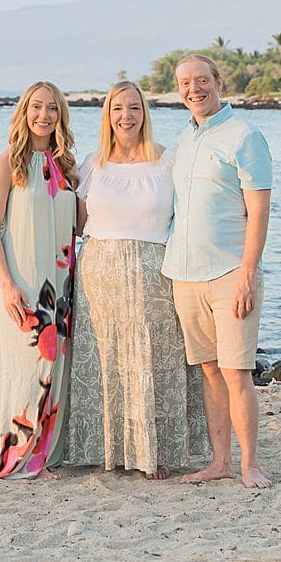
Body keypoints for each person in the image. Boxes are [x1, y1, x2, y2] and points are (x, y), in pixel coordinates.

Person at [66, 82, 209, 478]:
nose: (125, 116)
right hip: (100, 274)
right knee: (106, 359)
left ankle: (154, 453)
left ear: (144, 113)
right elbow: (77, 225)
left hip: (155, 272)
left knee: (155, 358)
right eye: (117, 109)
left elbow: (194, 211)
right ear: (107, 115)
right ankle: (108, 450)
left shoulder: (168, 161)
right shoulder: (92, 164)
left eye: (133, 108)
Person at [163, 54, 274, 488]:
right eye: (185, 83)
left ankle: (250, 465)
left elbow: (259, 211)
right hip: (185, 274)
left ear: (218, 82)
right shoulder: (184, 139)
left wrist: (248, 274)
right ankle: (220, 461)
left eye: (202, 80)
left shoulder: (245, 136)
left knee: (237, 372)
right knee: (209, 371)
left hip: (231, 273)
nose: (194, 89)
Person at [0, 82, 78, 480]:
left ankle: (41, 455)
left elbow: (80, 226)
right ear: (24, 112)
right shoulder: (8, 162)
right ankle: (15, 454)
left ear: (61, 116)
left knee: (52, 368)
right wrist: (6, 284)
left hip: (60, 284)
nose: (44, 115)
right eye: (37, 107)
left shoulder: (66, 167)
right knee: (22, 367)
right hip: (22, 281)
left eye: (52, 108)